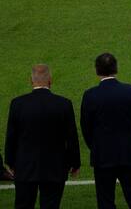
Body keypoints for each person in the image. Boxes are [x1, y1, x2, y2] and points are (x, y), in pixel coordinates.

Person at [4, 64, 81, 209]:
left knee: (23, 205)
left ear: (31, 81)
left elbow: (11, 136)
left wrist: (10, 162)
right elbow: (71, 138)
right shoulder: (64, 104)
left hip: (25, 167)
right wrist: (75, 163)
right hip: (55, 168)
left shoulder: (18, 104)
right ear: (50, 80)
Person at [80, 53, 131, 209]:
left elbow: (86, 128)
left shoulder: (90, 95)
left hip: (102, 155)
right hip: (128, 153)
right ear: (116, 68)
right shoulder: (130, 91)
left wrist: (96, 146)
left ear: (97, 70)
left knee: (105, 201)